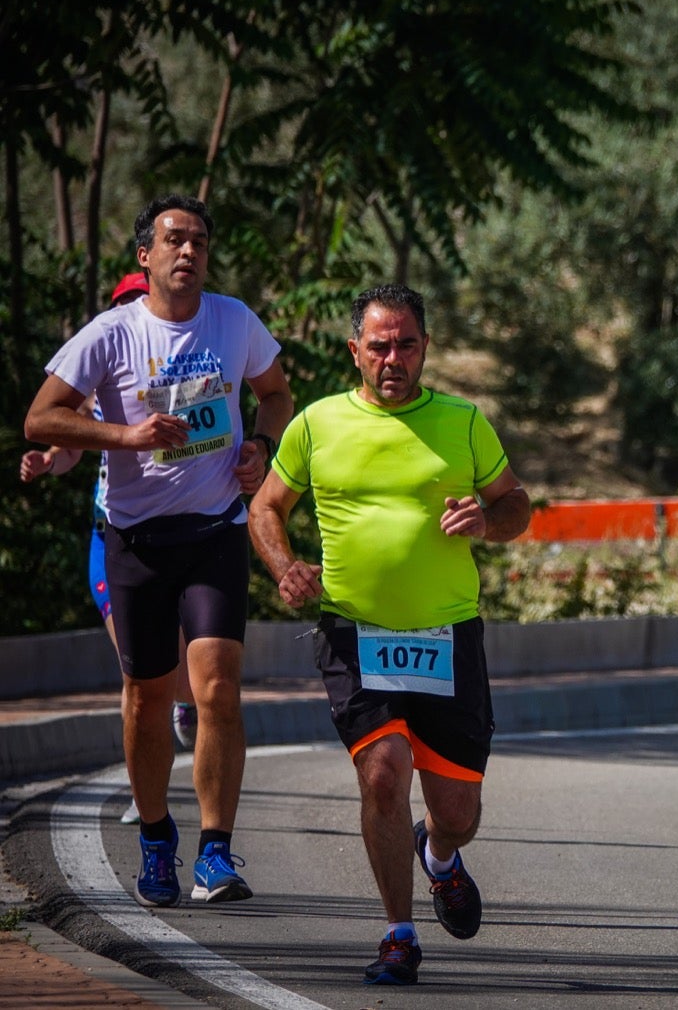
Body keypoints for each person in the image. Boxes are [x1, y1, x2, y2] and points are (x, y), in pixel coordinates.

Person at [248, 283, 532, 986]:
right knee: (382, 772)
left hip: (449, 638)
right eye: (379, 345)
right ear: (355, 351)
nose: (393, 358)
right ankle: (398, 935)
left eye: (407, 344)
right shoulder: (317, 424)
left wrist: (487, 524)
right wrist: (285, 567)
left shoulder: (464, 422)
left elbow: (517, 505)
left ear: (426, 348)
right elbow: (266, 508)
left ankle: (439, 855)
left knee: (459, 812)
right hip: (355, 632)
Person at [24, 195, 293, 904]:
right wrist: (127, 436)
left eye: (200, 242)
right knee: (147, 703)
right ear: (145, 256)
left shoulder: (235, 321)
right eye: (175, 240)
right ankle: (154, 841)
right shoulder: (110, 335)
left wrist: (260, 447)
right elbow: (40, 417)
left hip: (214, 533)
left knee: (218, 694)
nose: (189, 252)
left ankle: (216, 853)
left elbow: (275, 393)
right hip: (136, 541)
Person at [20, 271, 199, 781]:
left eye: (137, 302)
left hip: (180, 535)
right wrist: (48, 463)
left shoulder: (178, 379)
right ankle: (141, 790)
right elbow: (70, 445)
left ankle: (185, 706)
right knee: (136, 669)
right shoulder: (96, 388)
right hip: (114, 540)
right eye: (122, 305)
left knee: (181, 678)